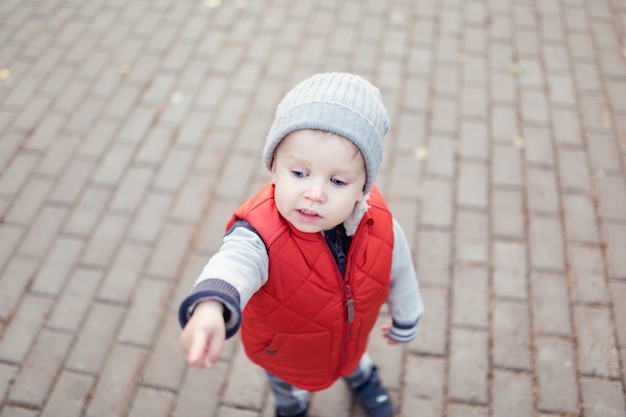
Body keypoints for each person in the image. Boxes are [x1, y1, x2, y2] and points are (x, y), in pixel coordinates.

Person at [178, 72, 424, 417]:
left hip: (349, 337)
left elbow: (400, 268)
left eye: (338, 180)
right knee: (286, 388)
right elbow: (234, 263)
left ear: (362, 188)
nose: (315, 193)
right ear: (273, 168)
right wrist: (210, 306)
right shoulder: (259, 234)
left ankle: (364, 379)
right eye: (299, 174)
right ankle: (292, 407)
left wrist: (407, 315)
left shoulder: (380, 224)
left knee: (352, 356)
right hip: (286, 353)